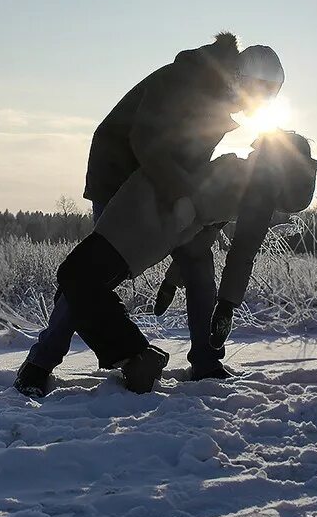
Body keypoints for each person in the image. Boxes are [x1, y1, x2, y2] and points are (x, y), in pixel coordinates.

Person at [15, 32, 285, 392]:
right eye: (262, 95)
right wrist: (180, 196)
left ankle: (206, 362)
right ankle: (39, 364)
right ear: (243, 78)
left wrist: (196, 212)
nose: (262, 105)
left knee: (197, 261)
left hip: (164, 181)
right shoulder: (184, 80)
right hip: (119, 177)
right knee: (92, 274)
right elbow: (145, 139)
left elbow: (188, 158)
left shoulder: (221, 100)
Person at [15, 130, 317, 396]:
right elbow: (242, 252)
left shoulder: (238, 170)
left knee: (86, 280)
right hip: (148, 221)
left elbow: (203, 231)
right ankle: (49, 363)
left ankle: (42, 364)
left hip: (159, 214)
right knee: (83, 282)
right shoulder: (259, 189)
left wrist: (173, 283)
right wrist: (226, 305)